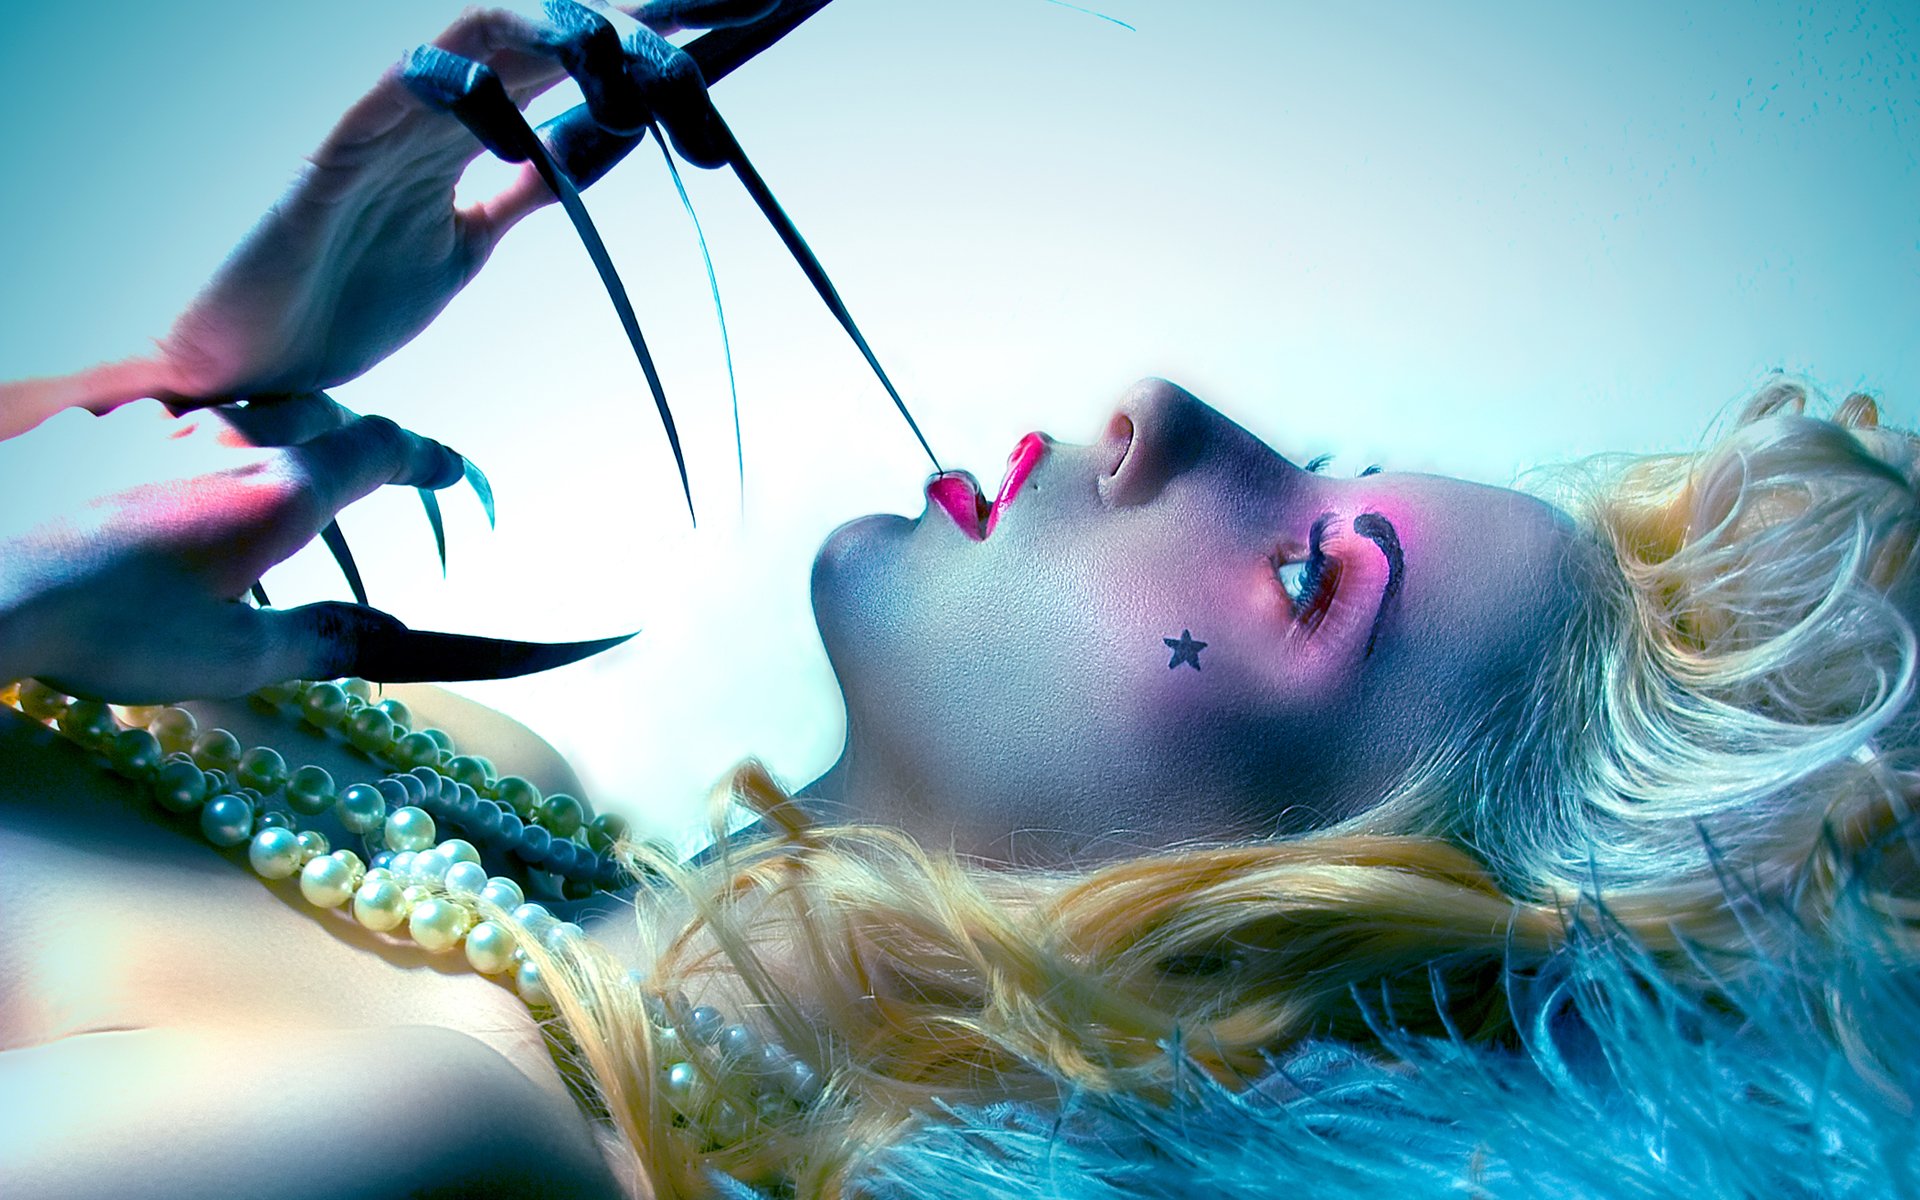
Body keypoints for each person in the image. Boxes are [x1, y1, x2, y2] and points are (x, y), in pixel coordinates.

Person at [3, 5, 1917, 1199]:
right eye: (1325, 460)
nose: (1163, 408)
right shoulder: (474, 774)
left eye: (1307, 575)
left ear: (1256, 940)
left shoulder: (440, 1146)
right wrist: (189, 399)